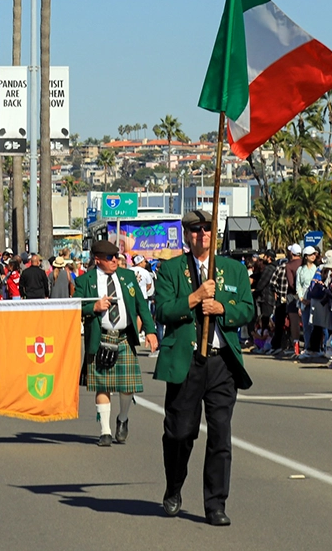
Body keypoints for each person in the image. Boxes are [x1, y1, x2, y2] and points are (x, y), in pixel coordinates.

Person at [154, 209, 254, 527]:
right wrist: (195, 298)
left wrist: (222, 307)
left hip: (221, 363)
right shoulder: (171, 269)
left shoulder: (233, 269)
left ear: (215, 234)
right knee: (180, 433)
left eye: (208, 229)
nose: (202, 235)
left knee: (221, 435)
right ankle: (174, 486)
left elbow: (248, 309)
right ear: (186, 235)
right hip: (187, 360)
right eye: (195, 230)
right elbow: (164, 311)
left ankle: (215, 504)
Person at [75, 240, 158, 447]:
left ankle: (122, 418)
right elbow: (75, 307)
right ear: (97, 260)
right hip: (100, 337)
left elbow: (141, 305)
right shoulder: (85, 281)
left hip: (123, 337)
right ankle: (105, 430)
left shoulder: (127, 277)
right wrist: (93, 306)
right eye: (110, 258)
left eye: (116, 257)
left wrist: (151, 331)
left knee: (127, 386)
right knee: (102, 386)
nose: (115, 261)